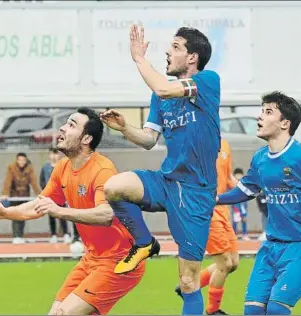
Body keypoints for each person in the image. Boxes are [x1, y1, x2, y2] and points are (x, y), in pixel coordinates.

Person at [0, 107, 145, 315]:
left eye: (72, 125)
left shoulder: (103, 170)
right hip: (92, 258)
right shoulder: (63, 167)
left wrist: (60, 211)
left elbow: (106, 215)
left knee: (64, 314)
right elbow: (40, 204)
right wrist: (5, 213)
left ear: (86, 139)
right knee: (55, 313)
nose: (62, 128)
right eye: (66, 123)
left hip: (120, 260)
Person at [101, 25, 220, 314]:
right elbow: (148, 140)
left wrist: (139, 59)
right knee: (114, 187)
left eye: (176, 47)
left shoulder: (207, 81)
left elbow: (163, 87)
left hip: (195, 193)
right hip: (166, 181)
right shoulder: (161, 98)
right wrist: (125, 128)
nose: (168, 51)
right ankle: (144, 243)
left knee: (189, 280)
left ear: (192, 57)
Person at [216, 91, 301, 315]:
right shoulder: (260, 158)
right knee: (252, 311)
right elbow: (245, 190)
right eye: (262, 111)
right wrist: (215, 199)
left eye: (268, 112)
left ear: (285, 123)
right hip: (271, 248)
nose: (260, 117)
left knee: (275, 310)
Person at [175, 139, 239, 315]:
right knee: (224, 264)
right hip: (205, 211)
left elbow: (227, 177)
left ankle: (185, 287)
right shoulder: (192, 145)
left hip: (223, 210)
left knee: (233, 263)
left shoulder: (225, 144)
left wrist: (246, 189)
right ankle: (212, 311)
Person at [1, 152, 42, 244]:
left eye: (23, 160)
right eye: (20, 160)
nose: (21, 162)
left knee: (23, 216)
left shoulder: (29, 168)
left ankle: (20, 235)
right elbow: (8, 180)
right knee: (15, 215)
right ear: (17, 160)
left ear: (26, 160)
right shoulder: (11, 167)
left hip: (24, 195)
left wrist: (40, 194)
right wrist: (5, 193)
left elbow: (34, 182)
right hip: (14, 194)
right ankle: (16, 236)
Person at [40, 147, 71, 244]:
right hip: (50, 196)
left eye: (56, 154)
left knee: (62, 215)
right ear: (49, 155)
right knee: (51, 216)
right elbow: (42, 180)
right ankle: (53, 235)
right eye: (52, 154)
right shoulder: (45, 167)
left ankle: (66, 234)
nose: (54, 156)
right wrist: (45, 192)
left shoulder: (63, 166)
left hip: (61, 195)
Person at [231, 168, 250, 241]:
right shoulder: (233, 184)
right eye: (237, 174)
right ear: (234, 175)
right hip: (236, 205)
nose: (239, 176)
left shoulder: (244, 183)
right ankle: (233, 234)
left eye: (240, 174)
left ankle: (244, 234)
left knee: (244, 220)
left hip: (243, 205)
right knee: (235, 220)